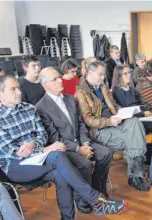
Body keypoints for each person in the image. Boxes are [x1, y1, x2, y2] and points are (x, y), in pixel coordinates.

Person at [0, 75, 127, 219]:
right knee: (57, 155)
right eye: (13, 89)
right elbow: (12, 151)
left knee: (61, 175)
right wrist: (43, 149)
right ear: (0, 94)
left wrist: (33, 144)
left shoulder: (29, 108)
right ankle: (96, 200)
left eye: (18, 87)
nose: (19, 92)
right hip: (14, 166)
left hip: (38, 158)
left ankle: (69, 216)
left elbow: (42, 135)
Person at [36, 67, 113, 213]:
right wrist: (78, 149)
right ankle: (82, 200)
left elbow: (81, 124)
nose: (60, 80)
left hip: (81, 141)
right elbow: (54, 138)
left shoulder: (70, 99)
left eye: (60, 77)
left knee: (106, 153)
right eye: (55, 79)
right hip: (64, 148)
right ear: (45, 85)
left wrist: (85, 143)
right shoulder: (41, 107)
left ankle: (97, 191)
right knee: (84, 164)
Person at [75, 61, 150, 191]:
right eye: (100, 74)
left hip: (115, 122)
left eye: (104, 75)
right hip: (99, 130)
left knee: (135, 122)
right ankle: (135, 176)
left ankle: (135, 176)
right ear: (90, 73)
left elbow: (114, 105)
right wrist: (109, 121)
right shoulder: (81, 93)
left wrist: (123, 112)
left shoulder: (102, 86)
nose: (103, 77)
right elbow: (88, 120)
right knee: (136, 138)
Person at [112, 64, 152, 134]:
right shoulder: (117, 90)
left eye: (129, 72)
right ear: (119, 76)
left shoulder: (131, 88)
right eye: (125, 73)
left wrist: (150, 109)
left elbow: (140, 102)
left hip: (139, 115)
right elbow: (125, 111)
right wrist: (142, 114)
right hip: (131, 120)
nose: (129, 75)